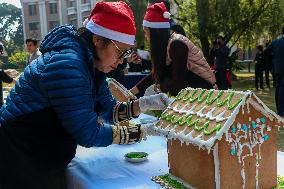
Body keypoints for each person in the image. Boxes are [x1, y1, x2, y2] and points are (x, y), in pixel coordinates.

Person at [0, 2, 171, 189]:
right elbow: (87, 133)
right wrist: (142, 132)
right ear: (97, 39)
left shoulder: (91, 65)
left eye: (127, 53)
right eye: (119, 52)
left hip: (42, 152)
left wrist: (143, 105)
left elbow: (109, 110)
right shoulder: (68, 63)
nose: (121, 62)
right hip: (22, 155)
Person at [130, 2, 216, 97]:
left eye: (147, 33)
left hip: (204, 93)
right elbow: (158, 72)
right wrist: (131, 92)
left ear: (156, 33)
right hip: (193, 92)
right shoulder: (167, 44)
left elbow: (178, 84)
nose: (146, 37)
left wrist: (158, 89)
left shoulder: (176, 45)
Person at [264, 27, 284, 117]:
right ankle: (280, 110)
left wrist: (274, 59)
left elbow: (266, 52)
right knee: (282, 88)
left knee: (278, 87)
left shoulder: (275, 42)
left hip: (277, 68)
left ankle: (279, 108)